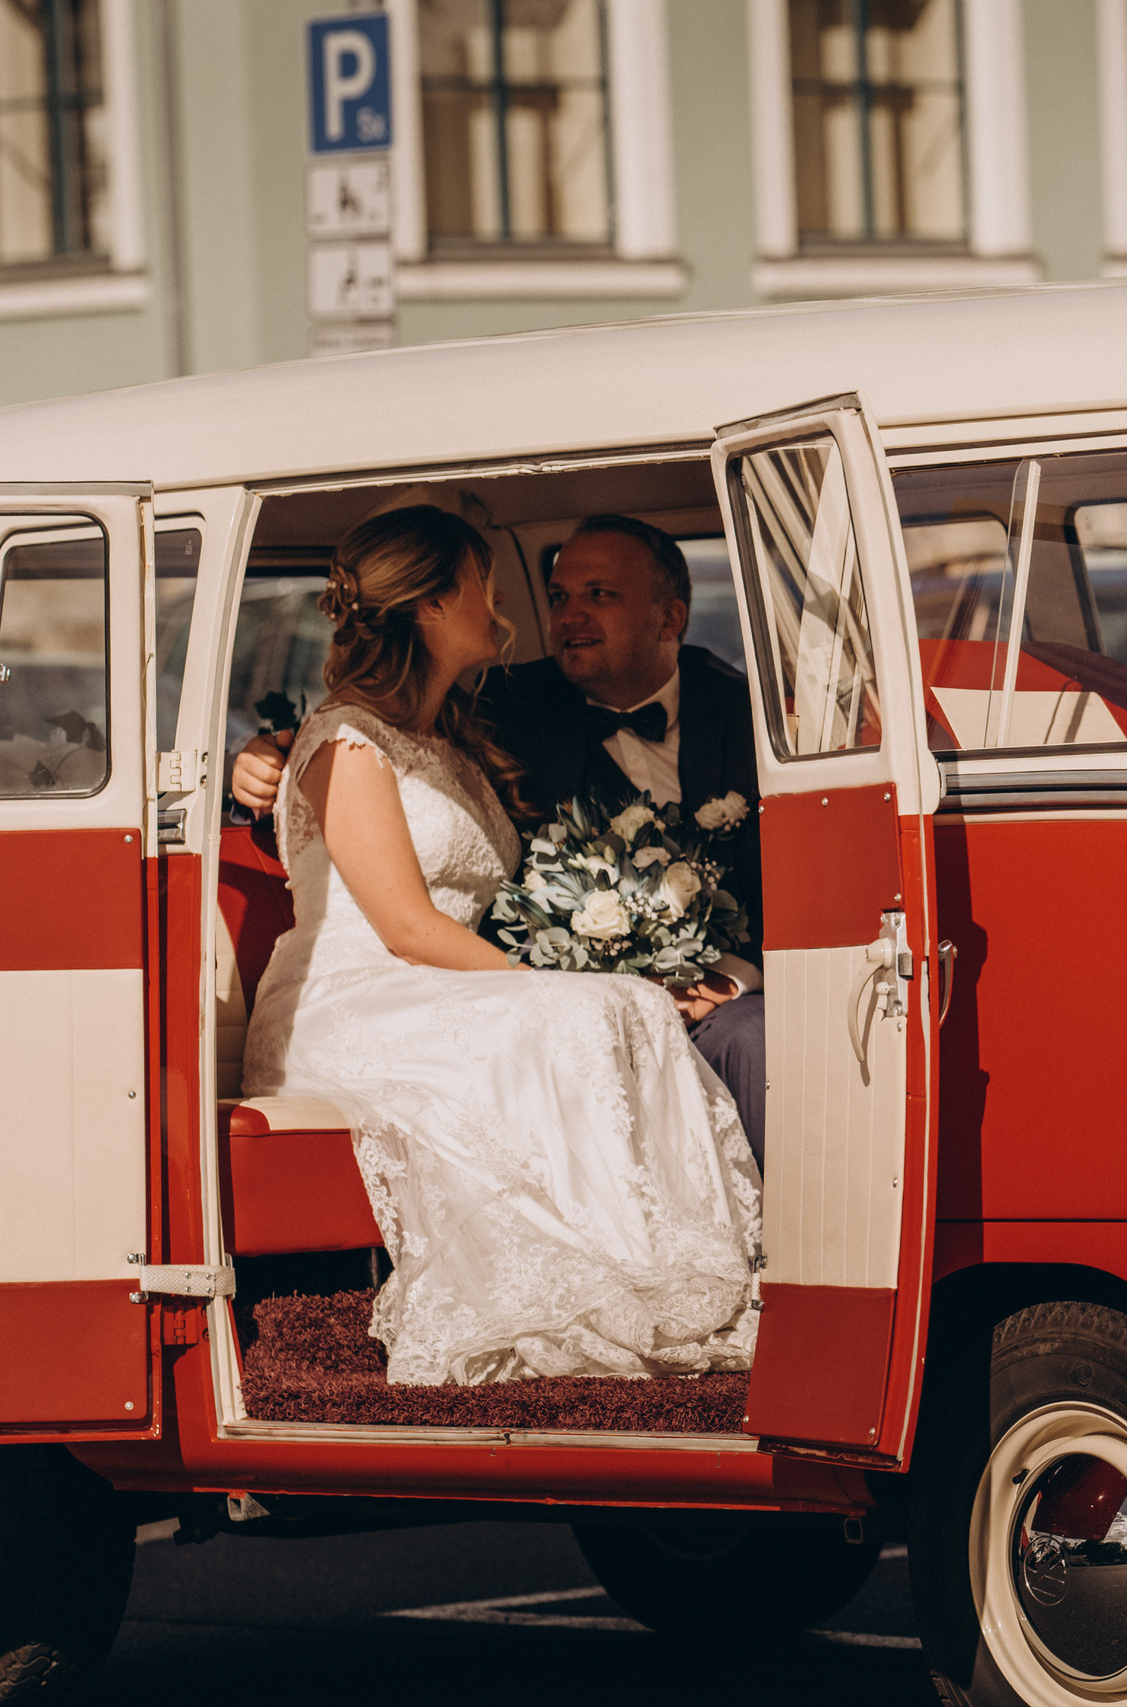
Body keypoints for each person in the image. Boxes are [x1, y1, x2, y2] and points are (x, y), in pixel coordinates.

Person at [241, 506, 761, 1384]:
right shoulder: (348, 739)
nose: (522, 607)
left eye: (594, 594)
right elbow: (404, 924)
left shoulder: (460, 734)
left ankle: (680, 1277)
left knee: (612, 1007)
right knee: (592, 1013)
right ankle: (625, 1286)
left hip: (437, 986)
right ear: (434, 605)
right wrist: (259, 758)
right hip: (362, 994)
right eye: (489, 583)